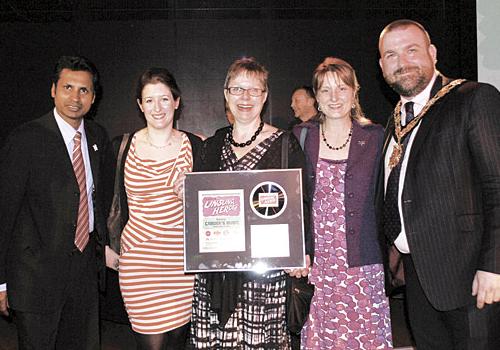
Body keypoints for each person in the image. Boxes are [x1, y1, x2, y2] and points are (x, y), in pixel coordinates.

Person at [377, 19, 500, 348]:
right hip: (418, 277)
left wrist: (494, 266)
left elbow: (497, 188)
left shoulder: (473, 99)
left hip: (471, 279)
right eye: (391, 55)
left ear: (432, 53)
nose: (402, 62)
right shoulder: (395, 121)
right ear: (381, 65)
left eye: (412, 50)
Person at [189, 57, 312, 349]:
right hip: (217, 276)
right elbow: (199, 209)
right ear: (226, 95)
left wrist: (303, 251)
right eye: (237, 89)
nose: (245, 97)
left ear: (265, 96)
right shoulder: (212, 146)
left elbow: (302, 202)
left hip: (265, 275)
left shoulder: (285, 144)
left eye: (254, 90)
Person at [0, 56, 111, 349]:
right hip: (35, 279)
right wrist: (0, 282)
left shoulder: (98, 137)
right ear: (53, 90)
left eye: (84, 90)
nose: (75, 97)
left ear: (93, 97)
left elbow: (100, 201)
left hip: (84, 276)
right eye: (68, 87)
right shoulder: (25, 139)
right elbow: (4, 213)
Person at [293, 57, 392, 349]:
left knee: (365, 338)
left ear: (354, 92)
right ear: (317, 97)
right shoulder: (302, 136)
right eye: (325, 91)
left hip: (363, 263)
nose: (334, 98)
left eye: (342, 89)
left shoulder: (375, 138)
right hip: (318, 265)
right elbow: (294, 202)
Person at [105, 67, 203, 349]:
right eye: (149, 100)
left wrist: (192, 194)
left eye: (164, 99)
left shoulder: (195, 146)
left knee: (175, 342)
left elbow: (212, 205)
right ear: (140, 105)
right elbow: (102, 201)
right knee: (150, 343)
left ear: (176, 101)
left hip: (181, 263)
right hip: (139, 262)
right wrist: (105, 248)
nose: (157, 107)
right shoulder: (122, 147)